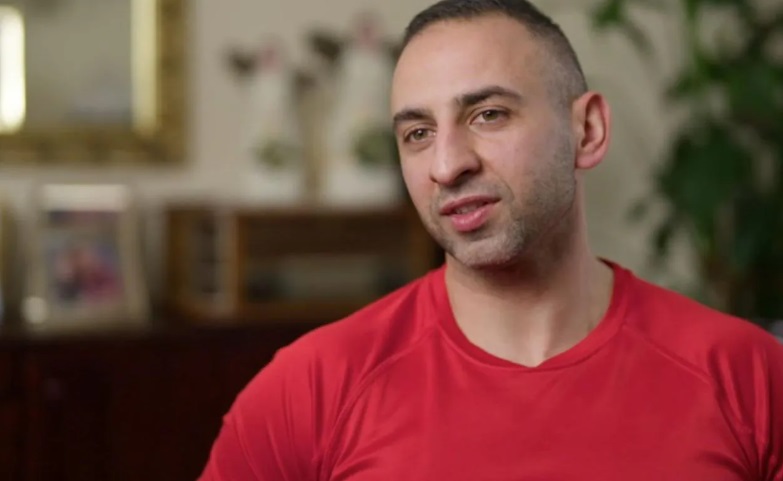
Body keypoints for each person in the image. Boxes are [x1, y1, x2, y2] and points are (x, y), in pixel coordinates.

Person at [198, 0, 783, 479]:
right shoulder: (309, 391)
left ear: (587, 130)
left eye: (488, 115)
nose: (446, 165)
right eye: (418, 133)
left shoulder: (750, 379)